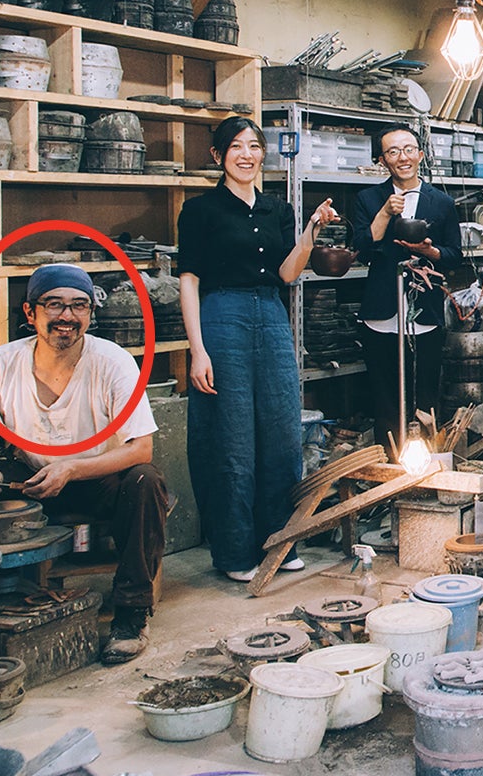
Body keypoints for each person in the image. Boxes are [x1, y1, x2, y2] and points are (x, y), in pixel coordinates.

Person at [0, 264, 166, 664]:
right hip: (30, 482)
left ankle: (131, 614)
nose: (67, 316)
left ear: (90, 314)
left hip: (95, 478)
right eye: (54, 305)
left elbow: (140, 449)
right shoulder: (1, 363)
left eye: (79, 306)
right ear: (30, 313)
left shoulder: (113, 362)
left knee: (145, 481)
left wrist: (71, 469)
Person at [179, 116, 337, 583]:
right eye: (235, 147)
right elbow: (189, 281)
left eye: (253, 146)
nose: (246, 155)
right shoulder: (199, 210)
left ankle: (280, 541)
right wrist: (197, 350)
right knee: (230, 437)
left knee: (281, 431)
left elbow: (288, 273)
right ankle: (234, 552)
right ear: (218, 156)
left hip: (271, 315)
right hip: (221, 315)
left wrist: (310, 230)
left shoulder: (277, 210)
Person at [351, 125, 462, 449]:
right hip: (382, 309)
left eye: (409, 149)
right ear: (382, 160)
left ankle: (426, 462)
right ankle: (390, 461)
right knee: (385, 396)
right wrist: (385, 213)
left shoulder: (441, 202)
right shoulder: (368, 199)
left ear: (421, 154)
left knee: (425, 393)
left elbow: (454, 256)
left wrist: (432, 252)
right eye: (393, 151)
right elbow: (361, 248)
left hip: (424, 310)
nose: (403, 157)